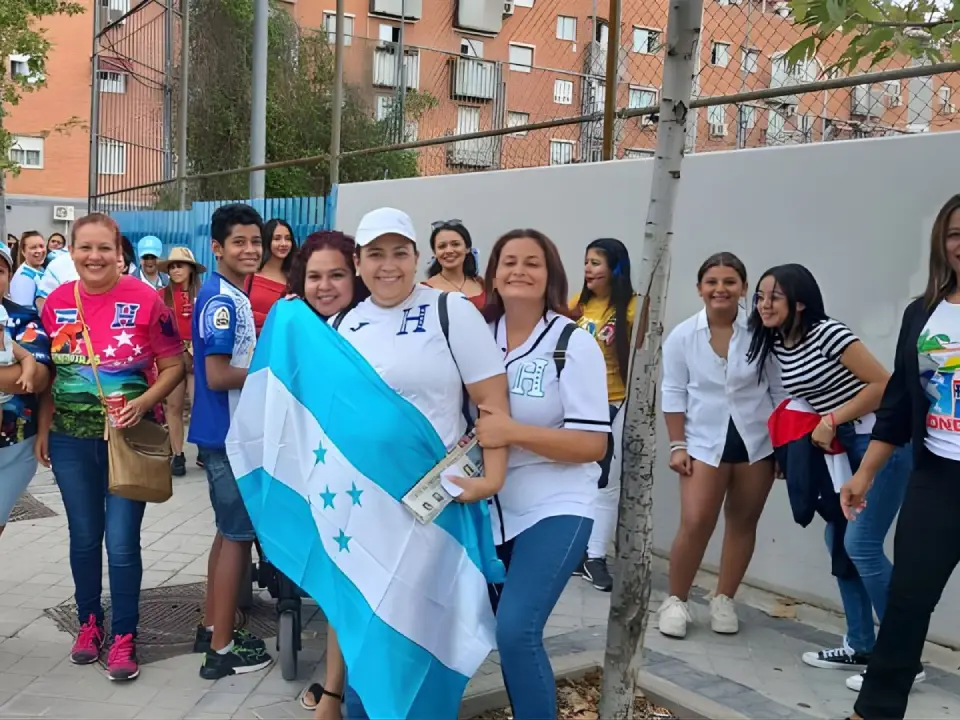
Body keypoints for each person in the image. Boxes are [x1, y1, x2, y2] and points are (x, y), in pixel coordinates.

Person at [329, 207, 510, 718]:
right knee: (367, 627)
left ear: (416, 258)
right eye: (376, 255)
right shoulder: (343, 325)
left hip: (433, 512)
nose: (389, 266)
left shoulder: (450, 312)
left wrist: (490, 479)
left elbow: (493, 406)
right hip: (364, 511)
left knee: (423, 633)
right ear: (359, 263)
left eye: (400, 253)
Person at [35, 213, 185, 681]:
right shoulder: (55, 304)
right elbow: (50, 375)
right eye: (85, 248)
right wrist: (44, 429)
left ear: (119, 252)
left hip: (129, 441)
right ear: (73, 251)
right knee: (83, 538)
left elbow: (174, 365)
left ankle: (124, 635)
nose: (94, 257)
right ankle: (89, 624)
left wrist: (141, 404)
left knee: (121, 544)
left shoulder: (146, 301)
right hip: (70, 442)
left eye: (104, 248)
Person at [748, 263, 912, 685]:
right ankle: (861, 646)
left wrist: (833, 418)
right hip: (841, 449)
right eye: (760, 296)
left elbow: (884, 385)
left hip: (882, 444)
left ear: (799, 302)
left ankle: (901, 657)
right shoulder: (781, 343)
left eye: (774, 296)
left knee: (862, 543)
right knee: (838, 539)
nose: (764, 304)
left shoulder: (828, 333)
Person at [476, 229, 609, 719]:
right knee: (493, 634)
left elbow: (593, 444)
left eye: (532, 263)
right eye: (508, 261)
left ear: (550, 275)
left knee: (516, 631)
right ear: (492, 273)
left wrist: (511, 431)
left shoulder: (572, 343)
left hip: (556, 506)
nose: (519, 271)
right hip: (488, 510)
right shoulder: (475, 338)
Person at [841, 196, 960, 719]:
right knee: (908, 604)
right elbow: (898, 406)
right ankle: (875, 712)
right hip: (937, 477)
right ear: (942, 241)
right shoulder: (924, 313)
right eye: (956, 233)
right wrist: (865, 474)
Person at [657, 252, 783, 638]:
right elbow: (674, 391)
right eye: (712, 282)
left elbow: (779, 389)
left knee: (743, 522)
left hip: (755, 442)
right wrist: (677, 445)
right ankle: (676, 600)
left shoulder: (762, 331)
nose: (720, 289)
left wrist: (782, 446)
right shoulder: (682, 335)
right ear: (700, 289)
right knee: (696, 522)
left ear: (744, 288)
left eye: (730, 282)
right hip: (702, 442)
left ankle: (724, 598)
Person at [276, 231, 368, 720]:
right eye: (314, 276)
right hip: (322, 479)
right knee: (339, 587)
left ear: (356, 274)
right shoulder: (298, 325)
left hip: (374, 481)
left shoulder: (373, 326)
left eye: (337, 274)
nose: (325, 285)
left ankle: (345, 690)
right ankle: (335, 690)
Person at [189, 203, 272, 679]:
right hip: (228, 434)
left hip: (228, 432)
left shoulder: (232, 294)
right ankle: (220, 651)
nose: (250, 250)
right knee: (238, 537)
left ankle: (210, 624)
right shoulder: (221, 301)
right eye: (239, 242)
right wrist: (271, 373)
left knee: (227, 534)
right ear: (217, 248)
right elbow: (218, 376)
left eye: (255, 242)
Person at [568, 238, 638, 592]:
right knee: (576, 477)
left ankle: (595, 556)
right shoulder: (578, 307)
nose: (588, 269)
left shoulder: (631, 308)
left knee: (606, 481)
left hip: (612, 402)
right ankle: (574, 551)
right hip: (575, 406)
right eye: (586, 262)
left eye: (595, 263)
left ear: (616, 269)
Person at [0, 243, 51, 540]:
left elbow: (38, 379)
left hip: (15, 448)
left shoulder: (25, 318)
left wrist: (25, 368)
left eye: (1, 270)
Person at [158, 247, 205, 477]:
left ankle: (204, 449)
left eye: (180, 265)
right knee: (173, 407)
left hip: (199, 356)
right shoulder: (160, 295)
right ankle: (177, 454)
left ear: (191, 269)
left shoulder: (204, 293)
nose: (176, 269)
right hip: (173, 355)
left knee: (199, 404)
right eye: (172, 266)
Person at [246, 219, 297, 335]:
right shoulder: (250, 275)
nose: (283, 244)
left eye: (288, 238)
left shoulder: (295, 279)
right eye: (277, 238)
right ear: (266, 241)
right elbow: (240, 313)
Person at [423, 219, 485, 310]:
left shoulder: (481, 283)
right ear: (434, 252)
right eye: (442, 246)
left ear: (467, 248)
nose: (449, 251)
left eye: (455, 244)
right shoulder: (424, 290)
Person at [9, 230, 47, 308]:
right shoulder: (23, 278)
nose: (39, 251)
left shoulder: (42, 270)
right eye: (33, 247)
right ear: (23, 251)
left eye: (41, 246)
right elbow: (24, 312)